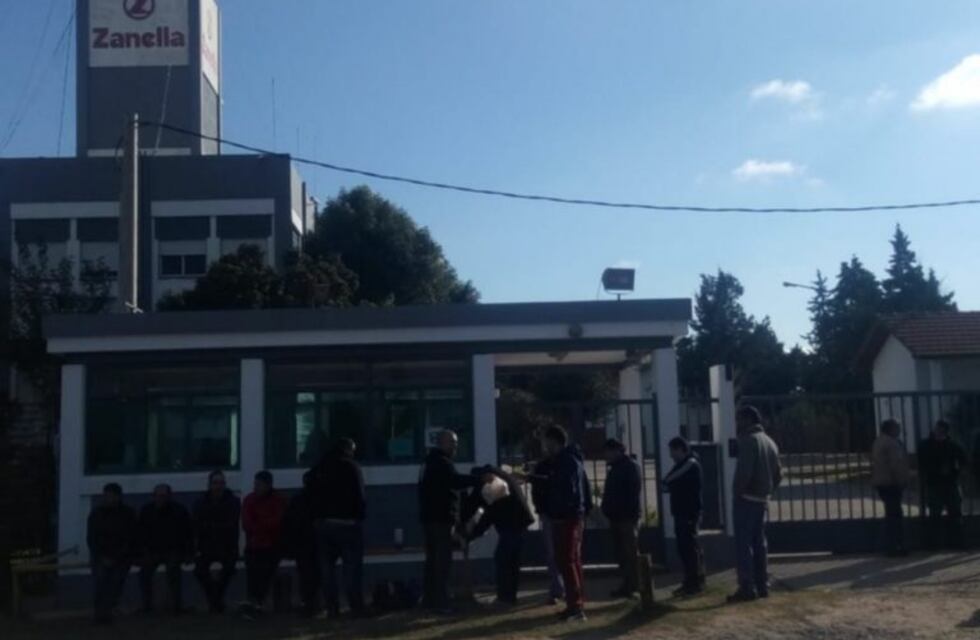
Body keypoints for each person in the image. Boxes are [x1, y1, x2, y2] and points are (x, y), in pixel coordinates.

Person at [418, 429, 480, 613]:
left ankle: (429, 599)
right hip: (441, 518)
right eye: (452, 442)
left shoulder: (428, 463)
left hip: (429, 518)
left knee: (432, 561)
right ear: (442, 443)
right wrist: (477, 480)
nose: (455, 446)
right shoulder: (442, 463)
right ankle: (441, 602)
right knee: (442, 562)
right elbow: (454, 481)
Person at [728, 406, 782, 604]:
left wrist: (737, 493)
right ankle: (762, 585)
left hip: (747, 499)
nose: (737, 424)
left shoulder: (749, 441)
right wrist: (767, 491)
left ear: (748, 419)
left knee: (744, 544)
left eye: (739, 419)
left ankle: (746, 587)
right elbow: (779, 474)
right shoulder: (770, 442)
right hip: (762, 500)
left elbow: (744, 473)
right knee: (760, 543)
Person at [309, 438, 367, 618]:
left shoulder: (321, 467)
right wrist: (359, 516)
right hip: (347, 523)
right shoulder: (351, 467)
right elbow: (360, 495)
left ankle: (332, 608)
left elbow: (310, 488)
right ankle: (354, 606)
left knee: (327, 569)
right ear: (348, 449)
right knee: (351, 567)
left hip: (324, 524)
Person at [464, 466, 535, 606]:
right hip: (520, 520)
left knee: (503, 559)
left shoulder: (492, 483)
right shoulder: (499, 476)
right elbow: (480, 504)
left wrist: (472, 534)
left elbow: (489, 512)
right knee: (512, 561)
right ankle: (510, 597)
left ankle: (504, 598)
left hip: (512, 523)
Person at [542, 425, 592, 622]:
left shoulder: (567, 461)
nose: (545, 446)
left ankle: (576, 607)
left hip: (567, 516)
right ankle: (575, 603)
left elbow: (566, 489)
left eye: (547, 441)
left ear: (554, 441)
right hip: (567, 515)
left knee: (567, 560)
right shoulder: (568, 460)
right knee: (569, 560)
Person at [138, 483, 194, 614]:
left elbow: (188, 533)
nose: (161, 499)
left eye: (163, 496)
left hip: (173, 550)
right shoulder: (146, 511)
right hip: (152, 551)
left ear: (169, 496)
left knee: (173, 569)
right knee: (144, 572)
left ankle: (177, 606)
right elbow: (140, 533)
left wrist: (188, 553)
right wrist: (141, 553)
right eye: (158, 496)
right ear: (153, 496)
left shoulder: (179, 511)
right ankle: (147, 606)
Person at [87, 482, 137, 625]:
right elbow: (92, 538)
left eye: (111, 495)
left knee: (114, 584)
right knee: (102, 583)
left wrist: (118, 556)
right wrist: (102, 556)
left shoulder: (127, 514)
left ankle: (106, 611)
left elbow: (131, 537)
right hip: (102, 556)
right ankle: (101, 613)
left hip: (120, 557)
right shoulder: (97, 514)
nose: (108, 498)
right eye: (107, 495)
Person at [193, 470, 241, 614]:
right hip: (207, 546)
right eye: (215, 483)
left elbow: (230, 525)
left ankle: (214, 601)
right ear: (209, 484)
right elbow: (198, 524)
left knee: (229, 569)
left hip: (226, 546)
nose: (218, 486)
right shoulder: (201, 502)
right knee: (200, 570)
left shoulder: (233, 501)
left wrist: (212, 526)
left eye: (221, 483)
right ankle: (216, 600)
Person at [663, 437, 706, 596]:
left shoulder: (690, 464)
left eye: (672, 451)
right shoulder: (682, 464)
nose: (671, 455)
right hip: (682, 511)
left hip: (689, 511)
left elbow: (667, 480)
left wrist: (669, 484)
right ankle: (690, 581)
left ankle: (695, 583)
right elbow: (666, 484)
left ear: (681, 449)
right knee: (685, 547)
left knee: (689, 548)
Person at [241, 470, 287, 616]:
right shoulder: (249, 500)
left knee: (265, 570)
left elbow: (278, 523)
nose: (255, 487)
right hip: (255, 545)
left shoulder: (278, 500)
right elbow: (247, 524)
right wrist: (264, 526)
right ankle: (255, 601)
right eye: (255, 484)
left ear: (268, 485)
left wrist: (259, 526)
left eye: (258, 484)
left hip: (272, 545)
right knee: (253, 570)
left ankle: (258, 601)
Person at [600, 438, 642, 599]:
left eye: (608, 452)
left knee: (630, 553)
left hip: (627, 518)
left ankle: (635, 586)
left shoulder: (630, 467)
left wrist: (624, 512)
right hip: (617, 517)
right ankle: (628, 585)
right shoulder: (617, 468)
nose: (606, 455)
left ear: (617, 450)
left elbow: (632, 494)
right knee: (622, 554)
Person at [918, 420, 969, 549]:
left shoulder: (952, 445)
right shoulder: (926, 445)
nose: (938, 431)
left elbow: (964, 460)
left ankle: (957, 543)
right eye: (938, 429)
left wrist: (956, 472)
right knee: (936, 515)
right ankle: (934, 544)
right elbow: (921, 462)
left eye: (941, 429)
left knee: (955, 514)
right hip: (935, 483)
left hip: (949, 482)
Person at [282, 471, 321, 616]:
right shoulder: (322, 500)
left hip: (302, 544)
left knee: (305, 574)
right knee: (317, 574)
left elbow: (289, 523)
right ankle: (315, 601)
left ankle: (308, 602)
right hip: (315, 543)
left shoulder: (298, 500)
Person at [871, 419, 910, 557]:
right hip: (891, 483)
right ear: (891, 429)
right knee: (895, 516)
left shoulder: (879, 441)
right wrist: (902, 480)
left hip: (882, 482)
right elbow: (896, 465)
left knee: (891, 514)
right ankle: (894, 547)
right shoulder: (892, 443)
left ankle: (892, 546)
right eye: (897, 427)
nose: (899, 429)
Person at [528, 454, 564, 605]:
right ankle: (559, 588)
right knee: (556, 554)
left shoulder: (561, 464)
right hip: (552, 512)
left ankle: (559, 588)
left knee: (555, 553)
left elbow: (546, 484)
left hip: (554, 513)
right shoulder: (553, 464)